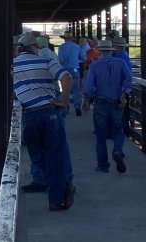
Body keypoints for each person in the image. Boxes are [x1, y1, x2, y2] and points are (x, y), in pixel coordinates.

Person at [12, 33, 75, 211]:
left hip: (28, 115)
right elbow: (66, 77)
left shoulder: (13, 65)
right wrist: (63, 100)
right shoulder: (46, 61)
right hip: (49, 113)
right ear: (34, 47)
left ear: (19, 49)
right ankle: (56, 200)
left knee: (36, 154)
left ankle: (40, 181)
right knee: (55, 157)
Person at [82, 39, 133, 173]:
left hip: (100, 103)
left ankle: (103, 164)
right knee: (118, 130)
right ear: (111, 51)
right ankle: (117, 151)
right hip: (117, 102)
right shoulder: (121, 63)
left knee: (100, 134)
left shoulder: (94, 65)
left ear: (99, 51)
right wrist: (124, 93)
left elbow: (89, 85)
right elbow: (128, 79)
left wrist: (86, 99)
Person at [57, 31, 86, 116]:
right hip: (75, 69)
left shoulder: (61, 47)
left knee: (65, 90)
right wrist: (76, 60)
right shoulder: (77, 47)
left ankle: (66, 108)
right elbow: (84, 58)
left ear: (64, 39)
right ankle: (77, 107)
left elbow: (60, 60)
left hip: (65, 70)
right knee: (77, 89)